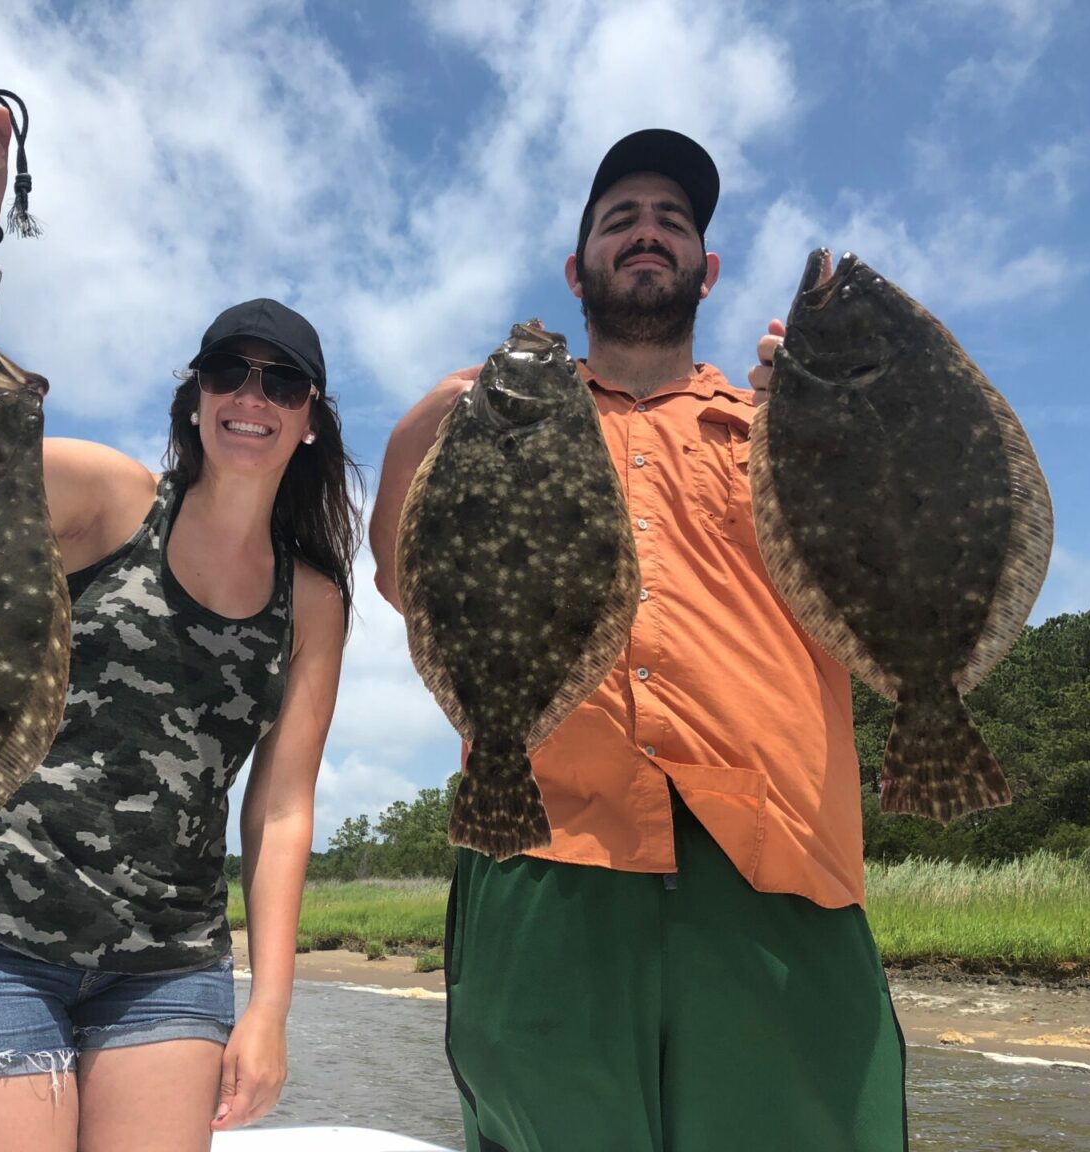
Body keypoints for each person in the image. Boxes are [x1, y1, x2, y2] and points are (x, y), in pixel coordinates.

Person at [369, 129, 908, 1151]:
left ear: (708, 266)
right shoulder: (496, 421)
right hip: (544, 848)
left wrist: (846, 426)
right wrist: (437, 415)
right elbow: (406, 576)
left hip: (779, 859)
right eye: (621, 219)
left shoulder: (777, 422)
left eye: (672, 221)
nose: (648, 233)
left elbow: (879, 589)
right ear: (580, 269)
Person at [0, 100, 361, 1152]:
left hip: (169, 968)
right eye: (229, 372)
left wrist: (267, 1004)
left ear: (309, 418)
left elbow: (280, 807)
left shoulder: (313, 599)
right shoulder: (107, 498)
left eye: (281, 382)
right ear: (196, 397)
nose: (252, 394)